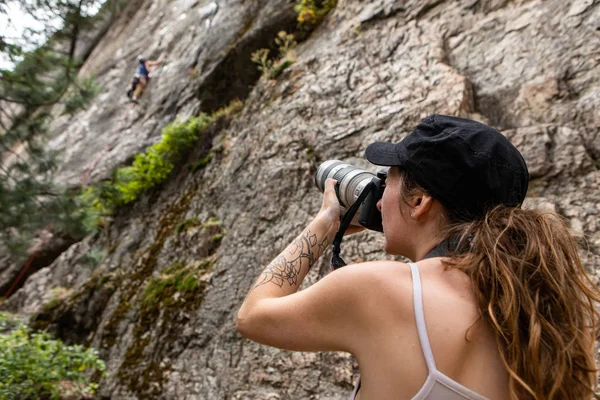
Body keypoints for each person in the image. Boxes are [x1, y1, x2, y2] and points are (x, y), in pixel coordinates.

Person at [237, 114, 600, 399]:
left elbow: (254, 316)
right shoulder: (544, 313)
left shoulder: (379, 289)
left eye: (388, 180)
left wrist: (326, 223)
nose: (378, 200)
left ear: (419, 200)